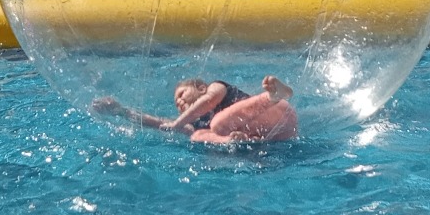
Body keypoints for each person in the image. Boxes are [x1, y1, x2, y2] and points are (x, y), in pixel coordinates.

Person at [92, 75, 300, 143]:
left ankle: (274, 94)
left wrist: (178, 122)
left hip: (275, 111)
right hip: (277, 135)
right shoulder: (194, 124)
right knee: (197, 135)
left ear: (200, 88)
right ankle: (231, 141)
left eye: (181, 95)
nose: (179, 104)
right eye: (176, 103)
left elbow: (208, 102)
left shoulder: (216, 88)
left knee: (218, 123)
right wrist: (121, 111)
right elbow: (157, 123)